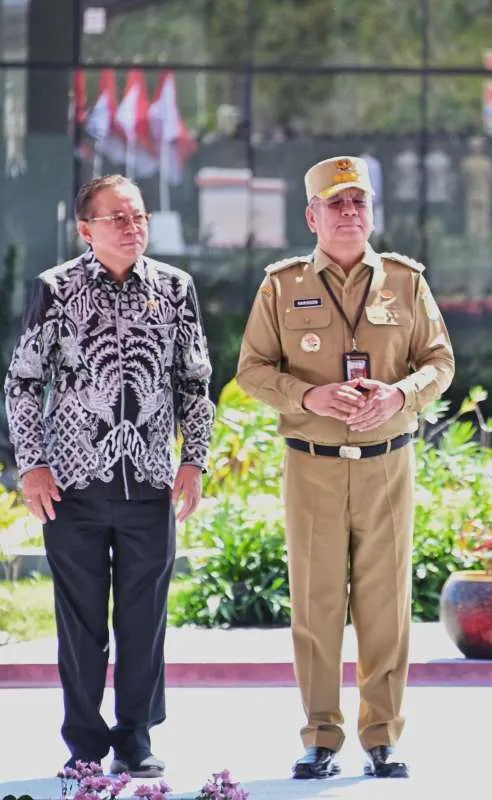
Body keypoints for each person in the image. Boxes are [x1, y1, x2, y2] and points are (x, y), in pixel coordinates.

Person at [236, 155, 455, 780]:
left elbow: (438, 362)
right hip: (314, 466)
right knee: (317, 603)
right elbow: (252, 368)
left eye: (359, 202)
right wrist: (307, 397)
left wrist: (400, 394)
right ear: (312, 215)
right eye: (336, 204)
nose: (350, 212)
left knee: (387, 603)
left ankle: (383, 736)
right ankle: (320, 736)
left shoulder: (408, 283)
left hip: (388, 462)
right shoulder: (280, 285)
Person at [5, 175, 214, 778]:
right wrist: (34, 464)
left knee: (145, 621)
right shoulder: (57, 289)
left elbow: (194, 384)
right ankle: (85, 745)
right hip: (73, 486)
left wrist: (194, 460)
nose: (132, 227)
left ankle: (136, 739)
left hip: (150, 482)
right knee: (81, 623)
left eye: (139, 216)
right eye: (117, 218)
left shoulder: (175, 289)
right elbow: (23, 383)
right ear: (86, 229)